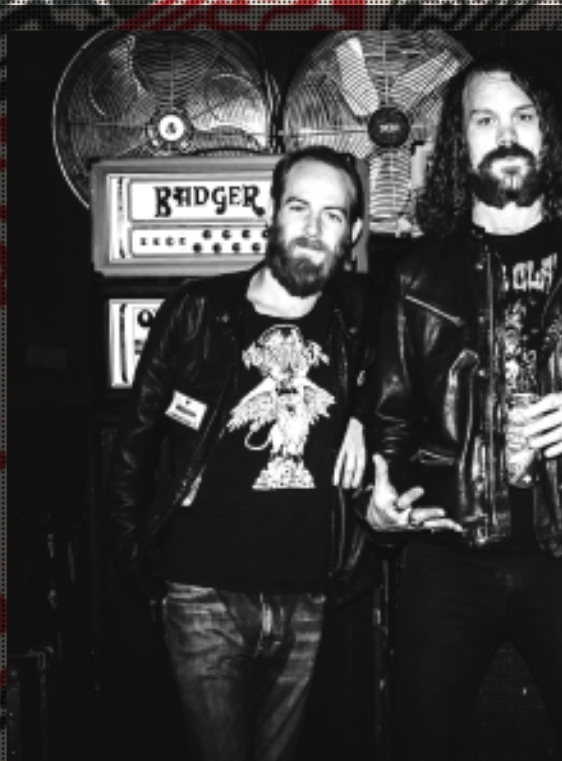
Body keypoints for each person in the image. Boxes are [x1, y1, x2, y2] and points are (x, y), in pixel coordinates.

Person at [363, 51, 562, 761]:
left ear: (546, 135)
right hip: (445, 558)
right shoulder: (414, 273)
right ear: (458, 143)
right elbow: (390, 414)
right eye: (485, 120)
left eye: (523, 117)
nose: (506, 134)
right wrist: (379, 502)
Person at [106, 145, 378, 761]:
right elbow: (133, 449)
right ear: (271, 213)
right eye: (299, 207)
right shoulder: (197, 312)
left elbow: (405, 381)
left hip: (307, 597)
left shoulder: (363, 315)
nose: (312, 228)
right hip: (203, 595)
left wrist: (364, 417)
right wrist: (141, 569)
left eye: (332, 215)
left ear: (354, 232)